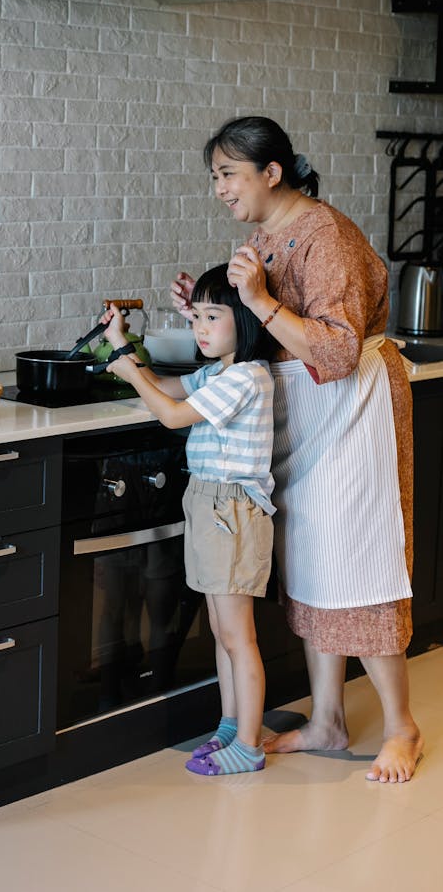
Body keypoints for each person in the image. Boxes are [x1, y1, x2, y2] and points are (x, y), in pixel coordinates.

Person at [171, 115, 423, 784]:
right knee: (313, 566)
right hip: (304, 412)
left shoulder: (324, 234)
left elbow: (338, 350)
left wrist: (255, 297)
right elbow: (258, 331)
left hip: (352, 409)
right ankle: (328, 720)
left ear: (271, 171)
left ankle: (402, 726)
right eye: (216, 176)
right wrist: (206, 306)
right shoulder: (266, 236)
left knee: (356, 564)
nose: (220, 188)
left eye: (228, 173)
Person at [103, 264, 276, 776]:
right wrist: (121, 345)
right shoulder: (217, 372)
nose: (200, 327)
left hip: (232, 511)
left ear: (245, 320)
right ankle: (231, 725)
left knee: (239, 635)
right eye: (196, 315)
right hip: (207, 503)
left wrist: (128, 371)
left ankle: (250, 744)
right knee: (222, 629)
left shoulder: (246, 376)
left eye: (213, 316)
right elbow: (168, 389)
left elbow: (174, 415)